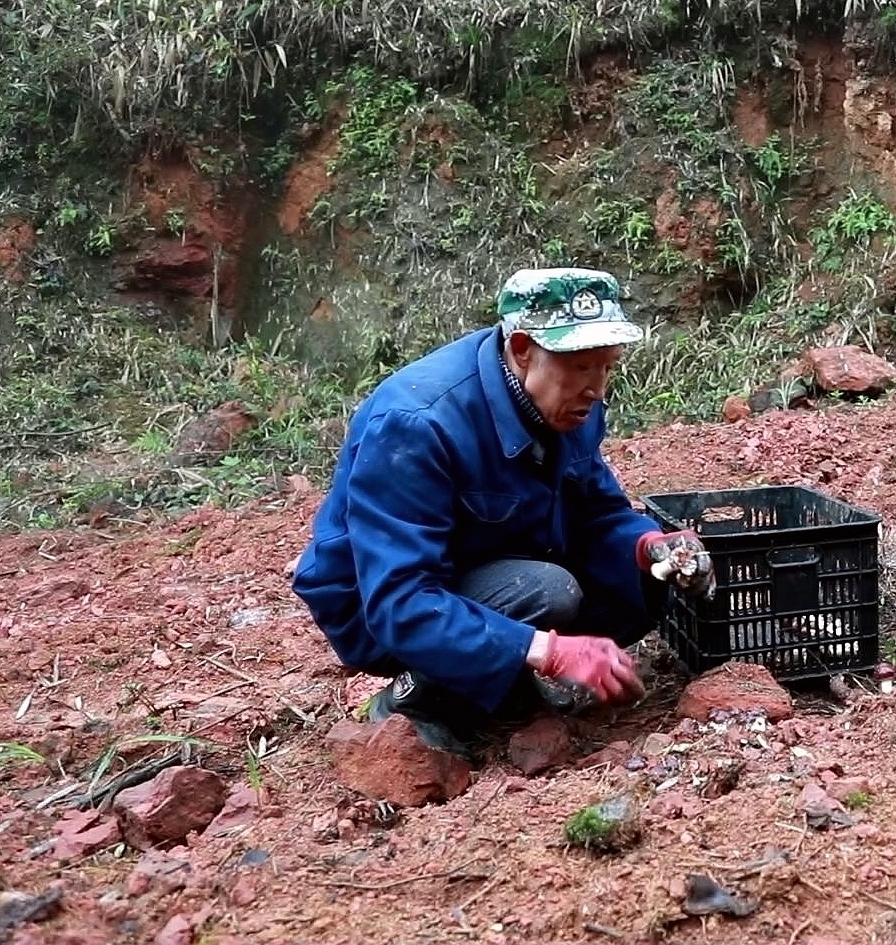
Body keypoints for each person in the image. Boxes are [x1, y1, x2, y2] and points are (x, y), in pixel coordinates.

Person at [291, 268, 716, 755]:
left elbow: (597, 511)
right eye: (580, 366)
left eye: (606, 366)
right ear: (521, 350)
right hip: (378, 603)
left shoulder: (570, 404)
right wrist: (553, 652)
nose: (597, 388)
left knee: (640, 576)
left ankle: (504, 679)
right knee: (548, 591)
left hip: (498, 556)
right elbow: (398, 600)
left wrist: (649, 547)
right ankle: (412, 703)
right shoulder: (418, 423)